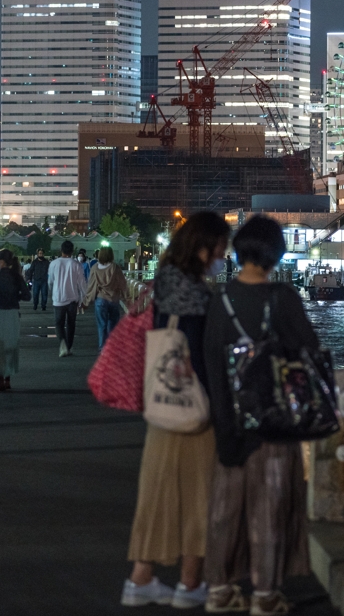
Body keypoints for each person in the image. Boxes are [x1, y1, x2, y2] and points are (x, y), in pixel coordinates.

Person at [202, 215, 318, 615]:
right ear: (276, 253)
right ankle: (265, 595)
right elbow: (309, 352)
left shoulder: (221, 300)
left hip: (231, 421)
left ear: (238, 251)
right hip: (274, 423)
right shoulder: (282, 298)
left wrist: (222, 424)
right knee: (269, 509)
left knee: (224, 510)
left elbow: (213, 368)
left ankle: (219, 589)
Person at [121, 211, 230, 609]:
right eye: (220, 247)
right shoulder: (198, 296)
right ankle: (189, 584)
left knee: (157, 493)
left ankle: (141, 577)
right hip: (195, 411)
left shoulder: (164, 282)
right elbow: (200, 359)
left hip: (162, 404)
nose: (223, 254)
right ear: (205, 247)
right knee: (199, 498)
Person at [0, 249, 30, 392]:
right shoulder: (17, 277)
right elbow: (27, 296)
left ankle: (0, 380)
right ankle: (8, 379)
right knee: (11, 346)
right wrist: (15, 296)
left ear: (1, 262)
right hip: (12, 313)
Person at [81, 246, 128, 348]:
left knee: (102, 325)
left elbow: (91, 286)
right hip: (114, 299)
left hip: (100, 299)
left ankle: (102, 348)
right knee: (113, 325)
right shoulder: (115, 268)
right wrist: (127, 297)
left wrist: (86, 302)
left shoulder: (95, 269)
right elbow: (122, 284)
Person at [48, 240, 87, 357]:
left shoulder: (54, 264)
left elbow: (50, 281)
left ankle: (62, 344)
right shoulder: (76, 264)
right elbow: (82, 283)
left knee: (58, 323)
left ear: (61, 250)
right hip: (72, 299)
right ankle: (69, 347)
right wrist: (84, 298)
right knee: (71, 323)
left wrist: (52, 292)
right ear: (72, 251)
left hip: (58, 298)